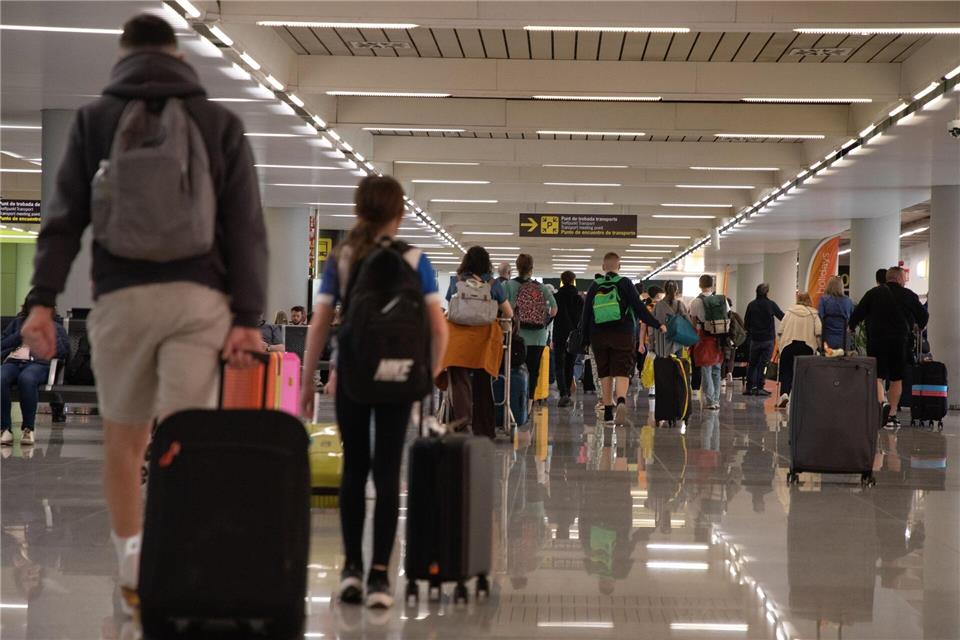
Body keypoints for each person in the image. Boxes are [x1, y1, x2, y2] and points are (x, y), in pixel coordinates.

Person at [18, 13, 266, 614]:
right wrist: (247, 317)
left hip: (121, 302)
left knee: (124, 443)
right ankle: (181, 559)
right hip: (197, 303)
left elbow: (63, 222)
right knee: (184, 439)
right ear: (178, 54)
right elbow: (245, 229)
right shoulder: (218, 123)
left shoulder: (95, 120)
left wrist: (42, 302)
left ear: (123, 56)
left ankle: (132, 569)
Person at [300, 175, 448, 609]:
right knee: (387, 473)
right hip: (400, 379)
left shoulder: (344, 258)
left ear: (357, 211)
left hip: (353, 376)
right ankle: (382, 578)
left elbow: (321, 322)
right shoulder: (416, 259)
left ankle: (351, 571)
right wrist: (427, 373)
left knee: (354, 471)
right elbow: (438, 329)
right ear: (400, 215)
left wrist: (310, 379)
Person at [581, 253, 665, 425]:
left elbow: (585, 315)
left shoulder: (595, 285)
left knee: (604, 372)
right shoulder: (625, 283)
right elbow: (640, 309)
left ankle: (607, 413)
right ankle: (620, 400)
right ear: (619, 267)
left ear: (604, 267)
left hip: (599, 335)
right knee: (622, 370)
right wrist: (657, 324)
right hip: (623, 333)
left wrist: (584, 339)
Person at [443, 246, 513, 437]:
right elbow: (509, 313)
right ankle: (484, 429)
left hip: (458, 341)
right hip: (484, 340)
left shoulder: (456, 281)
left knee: (459, 382)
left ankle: (462, 424)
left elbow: (451, 307)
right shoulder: (492, 283)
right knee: (483, 383)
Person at [848, 266, 928, 429]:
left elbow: (856, 316)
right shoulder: (909, 295)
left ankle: (881, 406)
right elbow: (923, 317)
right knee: (896, 378)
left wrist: (851, 327)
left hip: (876, 340)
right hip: (899, 342)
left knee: (878, 376)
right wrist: (919, 326)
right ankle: (891, 416)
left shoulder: (873, 293)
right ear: (899, 279)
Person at [2, 305, 70, 446]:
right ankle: (5, 428)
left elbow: (64, 352)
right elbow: (2, 344)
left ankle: (28, 428)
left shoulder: (56, 326)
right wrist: (19, 335)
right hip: (14, 362)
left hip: (38, 364)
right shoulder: (17, 323)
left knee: (27, 379)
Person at [503, 254, 558, 410]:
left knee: (512, 369)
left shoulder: (507, 286)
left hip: (515, 336)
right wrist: (544, 321)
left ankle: (513, 402)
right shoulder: (540, 287)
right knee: (533, 371)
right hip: (538, 337)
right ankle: (528, 404)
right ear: (531, 269)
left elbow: (500, 307)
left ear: (517, 267)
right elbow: (554, 310)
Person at [688, 275, 728, 411]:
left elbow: (693, 322)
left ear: (700, 285)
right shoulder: (723, 300)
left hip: (703, 337)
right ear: (713, 285)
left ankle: (710, 400)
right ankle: (716, 399)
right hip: (719, 338)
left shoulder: (696, 302)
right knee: (716, 370)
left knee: (706, 369)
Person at [776, 292, 822, 408]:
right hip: (807, 347)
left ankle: (785, 394)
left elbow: (780, 330)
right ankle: (802, 398)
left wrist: (781, 346)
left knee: (787, 372)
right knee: (804, 373)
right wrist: (819, 348)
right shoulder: (814, 314)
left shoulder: (789, 312)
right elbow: (818, 333)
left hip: (788, 345)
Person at [743, 283, 785, 396]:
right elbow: (782, 317)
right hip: (768, 340)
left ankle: (749, 387)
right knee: (763, 364)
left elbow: (746, 324)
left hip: (755, 340)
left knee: (752, 364)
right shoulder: (771, 305)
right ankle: (760, 387)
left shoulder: (751, 305)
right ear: (767, 292)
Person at [553, 271, 583, 408]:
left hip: (559, 334)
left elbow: (552, 317)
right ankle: (568, 395)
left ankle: (563, 393)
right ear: (573, 281)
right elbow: (582, 319)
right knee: (570, 364)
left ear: (561, 281)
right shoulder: (578, 298)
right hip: (574, 336)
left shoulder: (556, 297)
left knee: (559, 364)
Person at [818, 275, 854, 351]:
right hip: (844, 340)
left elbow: (820, 317)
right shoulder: (848, 301)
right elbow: (852, 319)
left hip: (827, 339)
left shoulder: (823, 300)